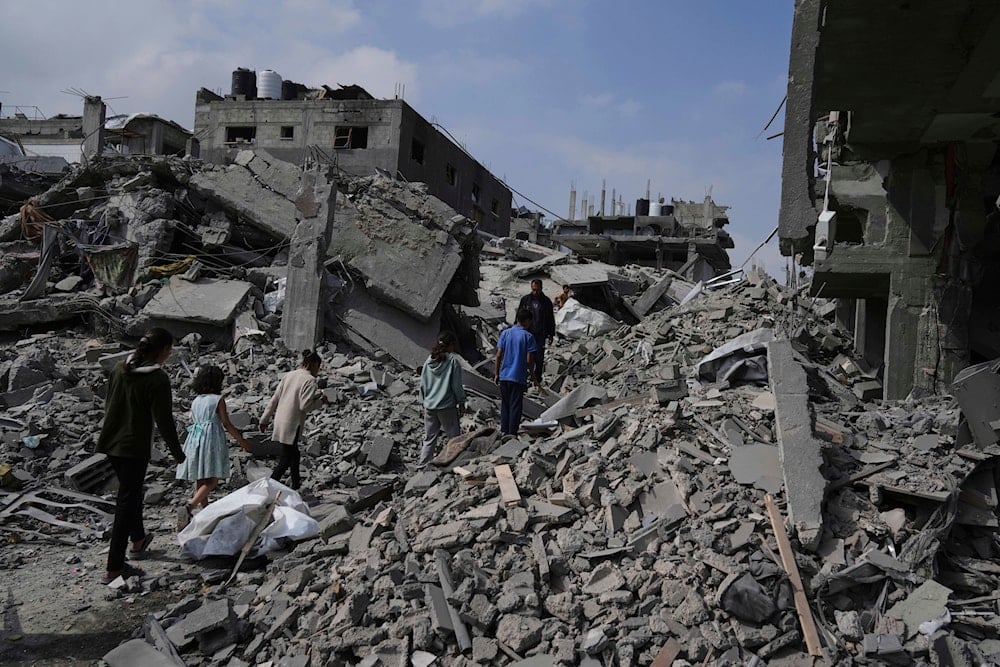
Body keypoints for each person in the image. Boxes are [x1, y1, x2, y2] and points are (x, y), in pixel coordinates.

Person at [96, 327, 185, 582]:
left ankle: (138, 540)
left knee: (130, 492)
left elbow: (109, 402)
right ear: (165, 351)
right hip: (133, 447)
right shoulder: (156, 379)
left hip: (110, 441)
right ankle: (114, 567)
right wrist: (178, 454)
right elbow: (165, 421)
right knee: (126, 502)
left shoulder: (118, 368)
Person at [175, 365, 252, 530]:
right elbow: (226, 423)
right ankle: (190, 506)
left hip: (195, 438)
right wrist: (241, 440)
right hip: (211, 439)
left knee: (201, 478)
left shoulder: (196, 401)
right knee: (213, 479)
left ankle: (205, 512)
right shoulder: (218, 400)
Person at [259, 349, 325, 490]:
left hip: (280, 421)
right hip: (292, 424)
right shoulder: (310, 380)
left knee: (294, 454)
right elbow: (305, 406)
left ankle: (296, 484)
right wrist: (320, 401)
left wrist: (264, 420)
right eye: (318, 366)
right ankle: (268, 486)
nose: (318, 370)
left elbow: (274, 399)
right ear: (312, 364)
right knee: (286, 458)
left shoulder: (289, 375)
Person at [418, 332, 467, 466]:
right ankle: (454, 464)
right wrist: (461, 401)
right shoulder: (452, 362)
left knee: (429, 438)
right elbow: (456, 385)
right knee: (454, 437)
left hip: (430, 406)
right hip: (446, 407)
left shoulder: (429, 361)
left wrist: (422, 402)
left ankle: (423, 466)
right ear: (450, 345)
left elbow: (423, 383)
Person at [494, 309, 537, 436]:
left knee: (505, 405)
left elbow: (498, 355)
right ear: (527, 321)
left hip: (504, 375)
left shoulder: (505, 333)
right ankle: (511, 433)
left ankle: (504, 430)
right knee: (515, 406)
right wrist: (533, 376)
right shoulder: (528, 336)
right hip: (518, 376)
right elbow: (529, 360)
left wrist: (496, 374)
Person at [517, 279, 555, 386]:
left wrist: (551, 333)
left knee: (539, 358)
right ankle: (524, 378)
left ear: (541, 289)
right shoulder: (525, 300)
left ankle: (537, 379)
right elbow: (519, 315)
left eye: (537, 290)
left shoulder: (546, 302)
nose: (535, 292)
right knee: (525, 357)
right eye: (533, 290)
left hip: (540, 334)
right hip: (526, 333)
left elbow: (550, 318)